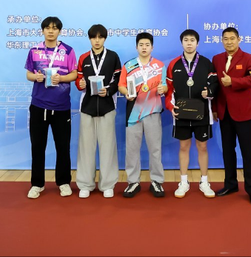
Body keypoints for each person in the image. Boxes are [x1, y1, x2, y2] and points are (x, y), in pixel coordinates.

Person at [24, 16, 78, 199]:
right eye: (47, 28)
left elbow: (74, 74)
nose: (51, 31)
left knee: (63, 147)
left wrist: (61, 78)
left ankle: (63, 182)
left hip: (61, 106)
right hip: (38, 105)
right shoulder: (34, 50)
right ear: (42, 30)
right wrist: (36, 77)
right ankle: (37, 184)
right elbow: (28, 74)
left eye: (54, 28)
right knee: (37, 146)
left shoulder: (68, 51)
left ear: (59, 31)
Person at [165, 29, 218, 198]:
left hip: (202, 112)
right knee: (183, 146)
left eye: (192, 40)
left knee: (202, 146)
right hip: (181, 113)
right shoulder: (174, 64)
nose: (189, 43)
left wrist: (209, 92)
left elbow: (214, 84)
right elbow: (169, 90)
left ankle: (204, 181)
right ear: (182, 42)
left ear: (197, 43)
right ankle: (183, 182)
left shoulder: (206, 63)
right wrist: (170, 107)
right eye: (186, 40)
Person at [212, 26, 251, 205]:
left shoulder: (249, 58)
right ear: (222, 41)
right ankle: (230, 184)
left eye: (232, 38)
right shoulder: (217, 59)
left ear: (239, 40)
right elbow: (215, 86)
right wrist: (214, 108)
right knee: (227, 151)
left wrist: (232, 81)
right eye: (225, 39)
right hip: (224, 113)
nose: (229, 42)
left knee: (248, 152)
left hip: (244, 112)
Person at [118, 32, 168, 198]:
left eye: (147, 45)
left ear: (152, 47)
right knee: (132, 149)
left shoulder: (160, 66)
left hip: (153, 111)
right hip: (133, 113)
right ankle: (133, 182)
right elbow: (121, 85)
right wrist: (126, 93)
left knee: (155, 149)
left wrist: (163, 88)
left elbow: (165, 86)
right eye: (141, 45)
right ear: (136, 47)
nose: (144, 47)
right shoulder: (129, 65)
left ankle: (157, 181)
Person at [74, 24, 121, 198]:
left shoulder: (113, 56)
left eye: (100, 37)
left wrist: (108, 90)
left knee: (108, 146)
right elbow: (79, 79)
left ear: (105, 38)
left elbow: (118, 79)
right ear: (90, 39)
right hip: (87, 107)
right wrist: (80, 84)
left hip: (107, 106)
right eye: (94, 37)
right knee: (86, 147)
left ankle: (107, 184)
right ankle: (85, 184)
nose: (97, 40)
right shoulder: (83, 58)